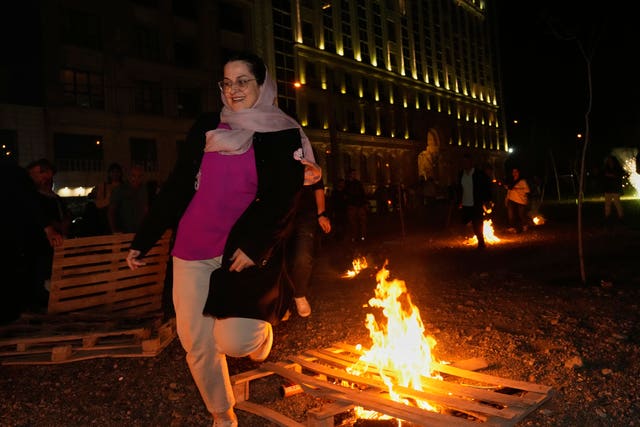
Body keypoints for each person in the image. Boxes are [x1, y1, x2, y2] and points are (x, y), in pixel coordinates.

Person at [124, 51, 321, 427]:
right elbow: (180, 184)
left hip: (242, 251)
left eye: (243, 81)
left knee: (235, 342)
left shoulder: (282, 132)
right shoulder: (207, 125)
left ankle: (261, 336)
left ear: (262, 85)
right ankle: (222, 413)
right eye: (227, 82)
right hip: (192, 247)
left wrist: (256, 245)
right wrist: (144, 239)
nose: (233, 90)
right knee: (196, 343)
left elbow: (285, 196)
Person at [1, 157, 63, 322]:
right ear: (37, 170)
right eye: (44, 178)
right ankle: (13, 313)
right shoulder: (21, 178)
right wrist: (49, 229)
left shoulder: (12, 175)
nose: (44, 183)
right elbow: (32, 205)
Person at [26, 158, 72, 305]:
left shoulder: (56, 198)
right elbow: (39, 217)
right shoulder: (35, 197)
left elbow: (65, 214)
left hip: (60, 241)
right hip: (42, 244)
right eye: (43, 174)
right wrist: (54, 226)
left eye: (49, 176)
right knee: (43, 275)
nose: (47, 180)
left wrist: (66, 222)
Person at [288, 178, 331, 318]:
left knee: (303, 255)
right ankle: (281, 302)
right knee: (280, 256)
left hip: (305, 213)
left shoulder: (307, 155)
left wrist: (321, 214)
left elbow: (318, 184)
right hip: (279, 212)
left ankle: (299, 294)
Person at [457, 153, 492, 250]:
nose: (465, 164)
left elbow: (486, 186)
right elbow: (459, 188)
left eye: (467, 162)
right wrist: (459, 200)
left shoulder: (478, 174)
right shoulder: (461, 174)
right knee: (466, 222)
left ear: (471, 163)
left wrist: (487, 200)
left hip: (476, 202)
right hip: (465, 203)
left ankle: (481, 243)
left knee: (477, 223)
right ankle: (471, 238)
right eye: (464, 162)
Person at [108, 163, 148, 234]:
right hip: (123, 231)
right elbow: (111, 212)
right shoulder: (119, 190)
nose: (136, 179)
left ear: (142, 177)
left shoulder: (143, 190)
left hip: (140, 230)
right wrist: (114, 231)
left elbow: (145, 209)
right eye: (133, 176)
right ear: (129, 176)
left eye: (139, 176)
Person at [345, 168, 368, 243]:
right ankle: (354, 237)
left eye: (355, 174)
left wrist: (364, 203)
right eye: (353, 174)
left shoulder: (358, 183)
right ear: (350, 174)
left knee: (362, 222)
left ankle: (362, 236)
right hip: (352, 205)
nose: (354, 175)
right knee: (353, 222)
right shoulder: (347, 184)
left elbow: (362, 193)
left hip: (359, 205)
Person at [505, 167, 530, 233]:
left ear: (519, 173)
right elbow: (509, 191)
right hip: (511, 199)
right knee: (511, 214)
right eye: (513, 172)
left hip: (520, 200)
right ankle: (512, 227)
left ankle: (525, 226)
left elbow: (527, 190)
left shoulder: (522, 181)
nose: (514, 173)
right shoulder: (511, 181)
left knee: (521, 214)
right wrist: (506, 199)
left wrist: (516, 188)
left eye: (516, 172)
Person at [602, 155, 625, 225]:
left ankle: (621, 216)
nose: (610, 162)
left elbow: (620, 175)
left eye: (611, 161)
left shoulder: (617, 168)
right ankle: (607, 216)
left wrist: (612, 175)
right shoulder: (606, 168)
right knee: (607, 203)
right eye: (608, 161)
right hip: (608, 188)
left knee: (617, 203)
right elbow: (603, 176)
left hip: (615, 188)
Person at [329, 178, 348, 242]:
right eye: (341, 183)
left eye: (343, 183)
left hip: (344, 210)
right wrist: (332, 211)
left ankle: (342, 237)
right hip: (337, 210)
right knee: (337, 224)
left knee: (343, 224)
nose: (342, 184)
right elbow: (333, 202)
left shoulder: (345, 192)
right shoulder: (335, 192)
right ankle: (337, 237)